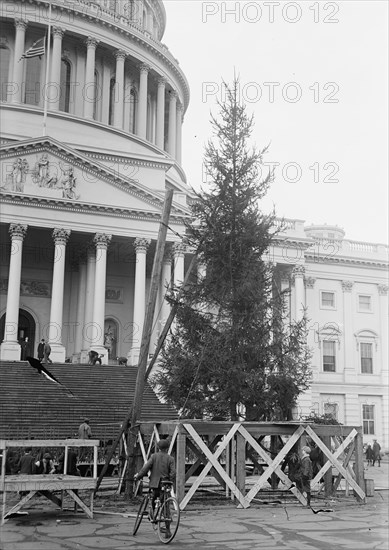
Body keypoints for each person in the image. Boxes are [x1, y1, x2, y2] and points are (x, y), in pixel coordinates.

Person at [134, 439, 176, 538]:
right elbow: (173, 473)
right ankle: (168, 530)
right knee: (166, 505)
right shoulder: (170, 459)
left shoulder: (154, 457)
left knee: (153, 498)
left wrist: (138, 476)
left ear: (158, 447)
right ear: (167, 448)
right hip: (165, 484)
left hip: (155, 484)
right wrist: (170, 481)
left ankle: (152, 514)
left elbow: (145, 468)